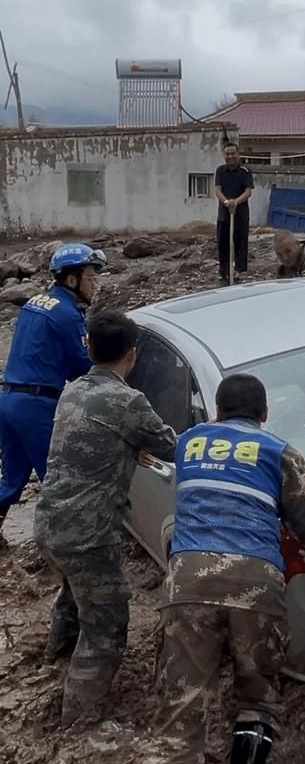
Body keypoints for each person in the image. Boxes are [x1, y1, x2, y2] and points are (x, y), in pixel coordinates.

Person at [142, 373, 305, 764]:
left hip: (190, 582)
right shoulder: (280, 451)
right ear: (264, 414)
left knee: (182, 704)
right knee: (258, 696)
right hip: (257, 584)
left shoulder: (187, 442)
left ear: (217, 413)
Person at [34, 311, 177, 730]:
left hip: (50, 525)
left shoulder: (73, 391)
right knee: (107, 627)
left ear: (88, 348)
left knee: (74, 595)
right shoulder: (128, 401)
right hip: (89, 535)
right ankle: (75, 725)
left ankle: (54, 660)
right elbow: (170, 445)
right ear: (132, 356)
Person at [0, 243, 106, 543]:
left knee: (12, 478)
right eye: (90, 276)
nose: (95, 283)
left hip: (9, 399)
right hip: (36, 405)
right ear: (71, 280)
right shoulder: (68, 315)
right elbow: (82, 367)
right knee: (58, 479)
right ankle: (67, 543)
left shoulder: (35, 302)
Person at [215, 142, 254, 285]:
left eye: (233, 153)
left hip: (241, 213)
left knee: (240, 241)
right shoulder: (220, 171)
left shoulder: (245, 171)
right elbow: (217, 190)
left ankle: (239, 270)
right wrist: (226, 202)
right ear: (224, 155)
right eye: (227, 154)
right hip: (224, 214)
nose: (230, 156)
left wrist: (236, 202)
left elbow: (248, 191)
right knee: (223, 242)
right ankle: (224, 271)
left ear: (238, 155)